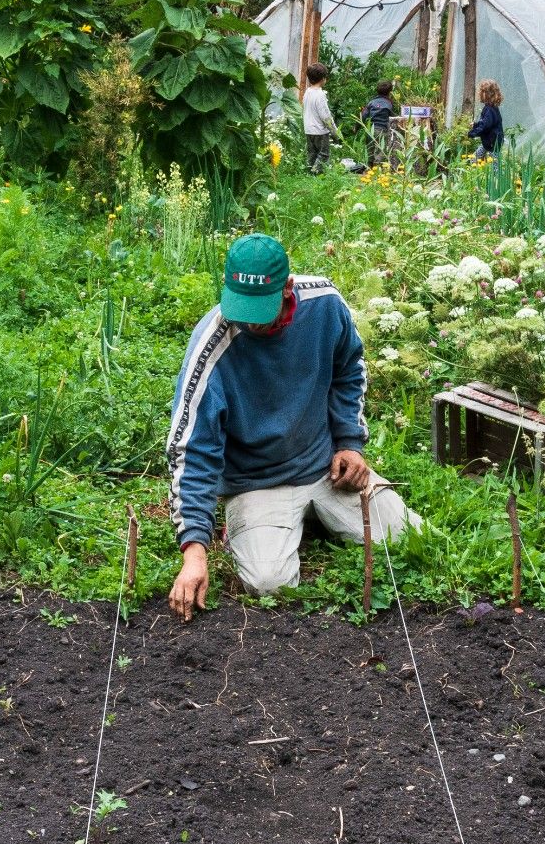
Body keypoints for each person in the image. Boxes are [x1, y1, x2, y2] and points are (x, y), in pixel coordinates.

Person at [167, 233, 419, 616]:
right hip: (258, 482)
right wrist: (194, 550)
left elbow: (348, 371)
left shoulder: (324, 305)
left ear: (287, 288)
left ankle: (310, 518)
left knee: (410, 539)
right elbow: (192, 451)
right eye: (241, 309)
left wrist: (350, 443)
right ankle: (245, 530)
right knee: (269, 584)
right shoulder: (212, 346)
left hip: (325, 469)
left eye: (260, 311)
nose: (249, 323)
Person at [301, 62, 340, 174]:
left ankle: (308, 172)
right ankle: (315, 172)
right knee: (323, 154)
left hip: (308, 129)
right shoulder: (320, 94)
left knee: (312, 153)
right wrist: (334, 132)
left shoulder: (307, 92)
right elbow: (326, 116)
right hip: (319, 131)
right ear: (323, 79)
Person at [359, 79, 397, 168]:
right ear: (390, 92)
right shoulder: (389, 103)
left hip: (370, 130)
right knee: (380, 152)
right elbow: (393, 117)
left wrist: (356, 127)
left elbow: (363, 116)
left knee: (370, 151)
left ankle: (369, 169)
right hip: (382, 130)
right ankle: (377, 171)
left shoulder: (371, 102)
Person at [468, 79, 504, 160]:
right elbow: (486, 123)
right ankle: (475, 171)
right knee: (474, 159)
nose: (479, 93)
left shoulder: (489, 110)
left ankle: (494, 173)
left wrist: (472, 133)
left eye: (481, 91)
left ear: (487, 94)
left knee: (495, 166)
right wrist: (475, 125)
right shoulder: (491, 108)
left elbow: (485, 126)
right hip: (490, 141)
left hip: (493, 143)